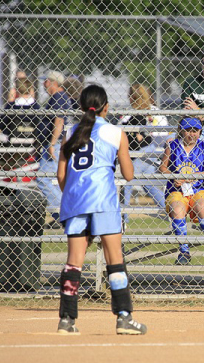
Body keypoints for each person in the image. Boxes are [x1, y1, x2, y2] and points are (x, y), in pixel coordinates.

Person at [56, 84, 146, 335]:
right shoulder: (116, 132)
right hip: (103, 201)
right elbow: (128, 175)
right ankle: (124, 317)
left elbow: (61, 175)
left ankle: (67, 320)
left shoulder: (70, 132)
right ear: (106, 107)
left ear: (82, 107)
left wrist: (74, 196)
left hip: (75, 201)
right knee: (114, 260)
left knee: (73, 263)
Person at [159, 117, 204, 266]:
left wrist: (196, 176)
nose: (192, 134)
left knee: (201, 205)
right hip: (177, 190)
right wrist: (174, 177)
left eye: (195, 131)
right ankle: (184, 251)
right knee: (177, 208)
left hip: (200, 188)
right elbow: (163, 167)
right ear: (181, 131)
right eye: (188, 130)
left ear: (200, 131)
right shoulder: (172, 146)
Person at [119, 83, 168, 230]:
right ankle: (172, 212)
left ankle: (122, 219)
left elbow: (161, 137)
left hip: (150, 152)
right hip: (139, 154)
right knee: (149, 184)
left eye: (130, 95)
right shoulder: (130, 112)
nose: (128, 98)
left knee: (126, 181)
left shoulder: (152, 112)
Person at [36, 70, 71, 229]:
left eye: (46, 81)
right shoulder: (58, 97)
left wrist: (51, 143)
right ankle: (62, 215)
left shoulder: (58, 97)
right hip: (54, 144)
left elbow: (59, 121)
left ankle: (64, 214)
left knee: (42, 179)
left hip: (55, 145)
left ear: (53, 82)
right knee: (55, 182)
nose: (43, 83)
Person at [0, 78, 40, 170]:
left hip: (12, 141)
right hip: (31, 141)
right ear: (30, 90)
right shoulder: (36, 106)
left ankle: (5, 172)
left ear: (17, 90)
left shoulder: (12, 106)